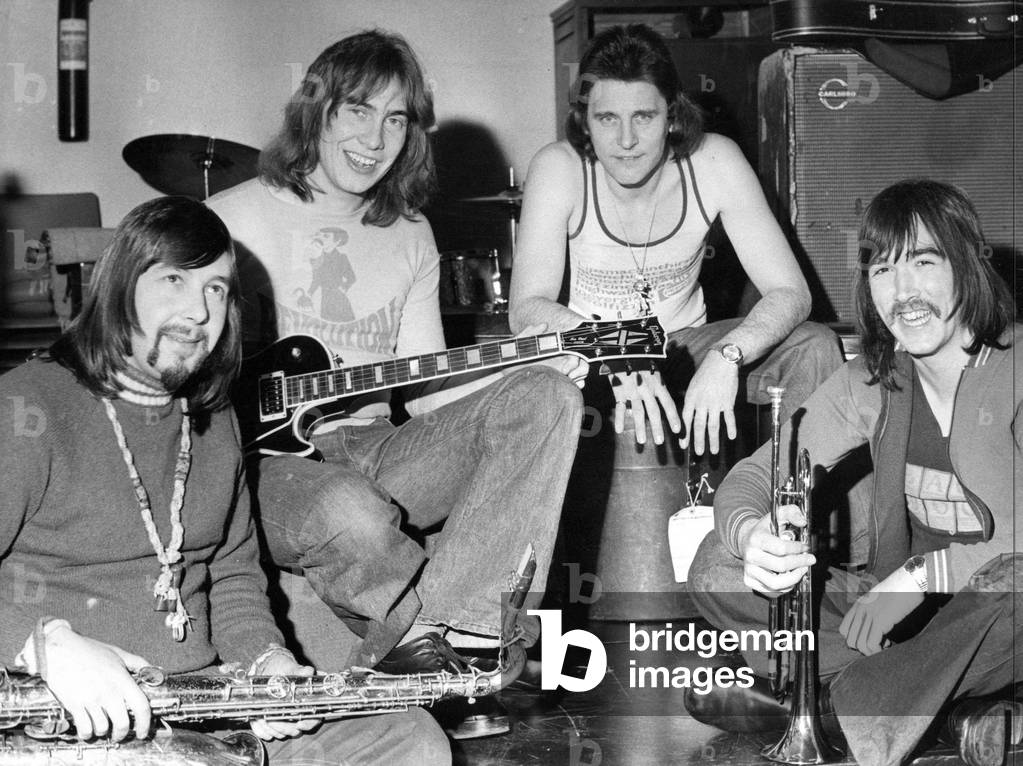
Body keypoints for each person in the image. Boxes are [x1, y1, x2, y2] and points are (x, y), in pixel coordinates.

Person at [207, 29, 585, 734]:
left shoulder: (408, 230)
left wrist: (524, 371)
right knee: (350, 509)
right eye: (357, 109)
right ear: (314, 109)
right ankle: (422, 664)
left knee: (548, 398)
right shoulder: (231, 217)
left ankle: (463, 643)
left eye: (396, 118)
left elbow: (429, 391)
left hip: (378, 445)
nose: (374, 137)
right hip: (267, 469)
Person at [0, 196, 451, 764]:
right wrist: (48, 644)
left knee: (411, 737)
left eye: (215, 289)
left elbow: (233, 575)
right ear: (119, 287)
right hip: (64, 715)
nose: (199, 312)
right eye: (174, 280)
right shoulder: (25, 407)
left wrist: (266, 662)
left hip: (205, 704)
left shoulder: (212, 421)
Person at [685, 179, 1021, 766]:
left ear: (968, 266)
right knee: (718, 561)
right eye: (883, 269)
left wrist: (919, 578)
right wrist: (753, 536)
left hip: (986, 613)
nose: (904, 292)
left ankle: (824, 713)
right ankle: (944, 717)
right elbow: (754, 476)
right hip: (902, 623)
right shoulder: (874, 380)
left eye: (923, 262)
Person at [510, 23, 842, 452]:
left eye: (643, 117)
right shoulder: (559, 167)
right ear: (585, 120)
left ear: (671, 114)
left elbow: (791, 292)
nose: (626, 141)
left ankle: (787, 506)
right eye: (607, 118)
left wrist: (729, 354)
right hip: (587, 358)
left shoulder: (714, 159)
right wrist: (617, 349)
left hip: (681, 349)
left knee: (816, 345)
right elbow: (525, 309)